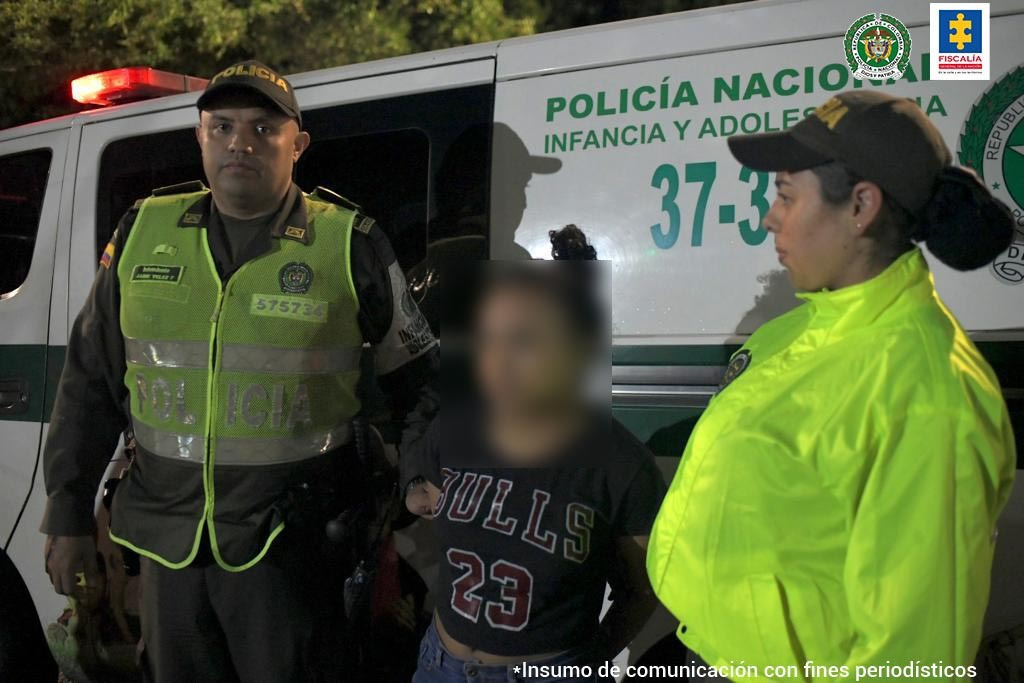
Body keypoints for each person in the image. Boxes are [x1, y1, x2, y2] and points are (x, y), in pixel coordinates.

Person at [40, 60, 438, 682]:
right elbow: (89, 383)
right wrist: (67, 516)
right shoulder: (143, 230)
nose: (240, 143)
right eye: (222, 126)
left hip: (291, 551)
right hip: (169, 547)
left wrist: (417, 483)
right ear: (199, 137)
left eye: (263, 129)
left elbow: (421, 384)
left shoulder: (349, 243)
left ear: (297, 145)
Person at [646, 90, 1017, 681]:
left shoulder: (928, 394)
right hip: (706, 652)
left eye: (786, 196)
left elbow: (913, 660)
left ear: (861, 206)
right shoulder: (791, 331)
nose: (769, 218)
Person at [404, 262, 664, 682]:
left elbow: (641, 590)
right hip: (438, 665)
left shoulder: (622, 466)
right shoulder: (454, 428)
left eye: (523, 341)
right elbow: (436, 507)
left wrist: (581, 665)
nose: (498, 361)